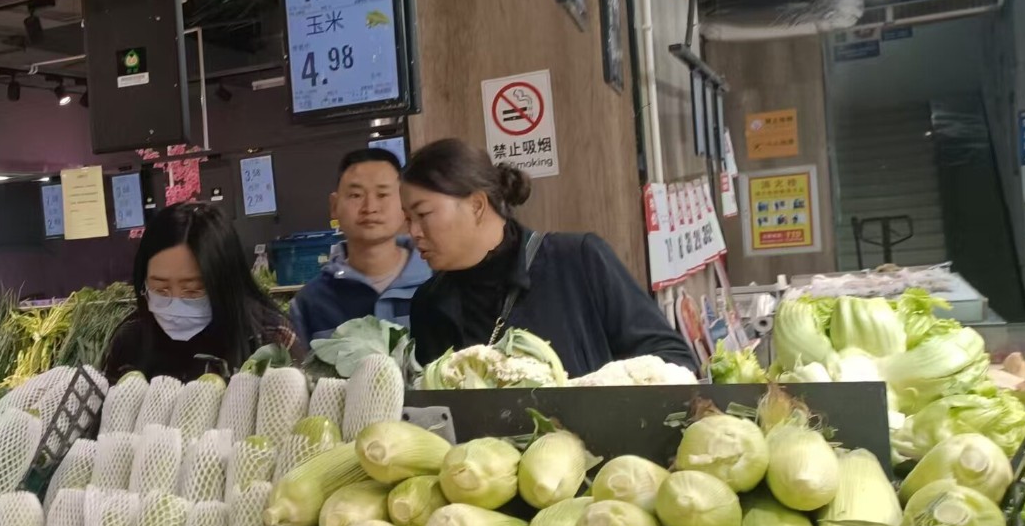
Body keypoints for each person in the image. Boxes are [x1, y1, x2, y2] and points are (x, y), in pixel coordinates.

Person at [401, 138, 695, 377]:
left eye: (423, 214)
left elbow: (673, 358)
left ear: (477, 205)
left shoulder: (578, 260)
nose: (413, 232)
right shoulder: (429, 304)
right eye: (407, 218)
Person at [103, 203, 302, 382]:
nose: (175, 304)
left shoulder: (272, 340)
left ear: (225, 284)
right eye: (160, 289)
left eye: (193, 290)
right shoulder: (130, 342)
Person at [290, 148, 432, 341]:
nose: (370, 208)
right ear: (334, 206)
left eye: (382, 195)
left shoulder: (436, 282)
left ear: (405, 202)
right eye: (356, 195)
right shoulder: (310, 303)